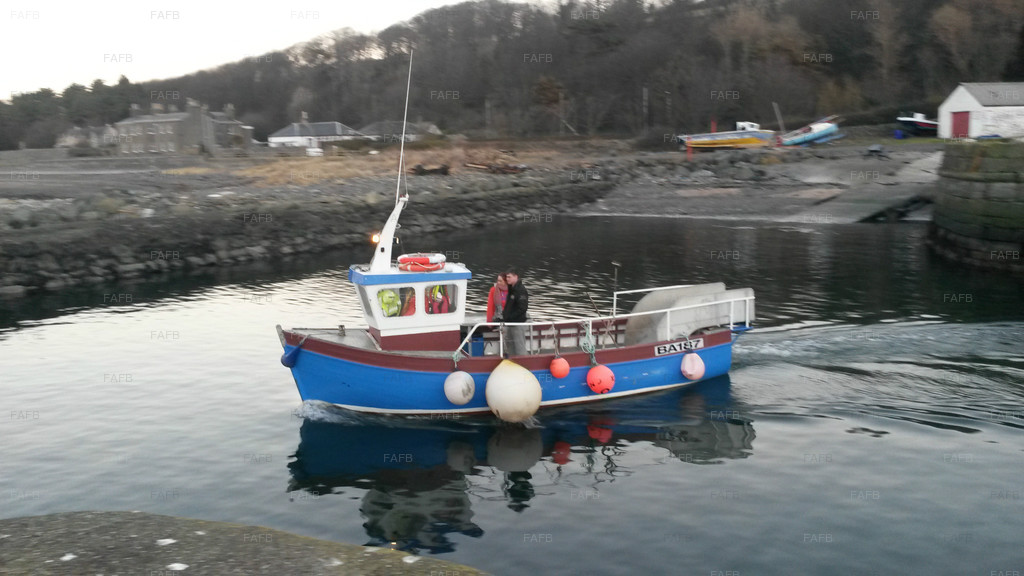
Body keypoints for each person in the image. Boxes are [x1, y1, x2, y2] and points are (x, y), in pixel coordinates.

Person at [502, 268, 529, 356]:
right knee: (510, 347)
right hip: (509, 323)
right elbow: (509, 306)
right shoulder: (511, 289)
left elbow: (523, 308)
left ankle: (523, 362)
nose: (507, 279)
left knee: (519, 348)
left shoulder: (520, 290)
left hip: (517, 324)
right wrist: (504, 317)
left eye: (509, 277)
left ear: (516, 277)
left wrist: (510, 317)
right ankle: (512, 360)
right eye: (506, 277)